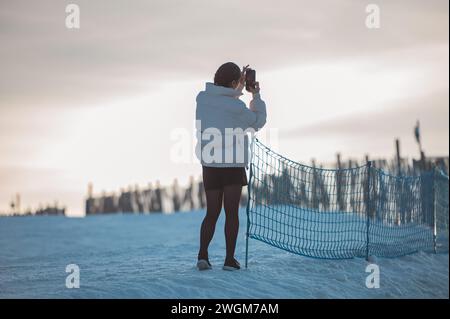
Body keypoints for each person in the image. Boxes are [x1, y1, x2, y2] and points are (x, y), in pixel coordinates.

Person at [195, 62, 267, 271]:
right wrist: (255, 95)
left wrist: (236, 87)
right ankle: (229, 260)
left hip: (210, 165)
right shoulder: (237, 107)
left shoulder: (202, 100)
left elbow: (222, 101)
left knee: (212, 213)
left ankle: (202, 256)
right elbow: (257, 122)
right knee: (231, 213)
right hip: (233, 165)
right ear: (234, 82)